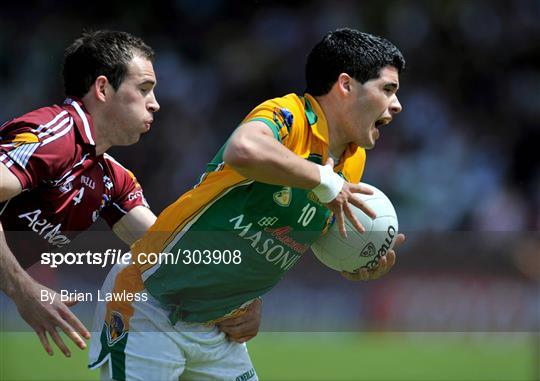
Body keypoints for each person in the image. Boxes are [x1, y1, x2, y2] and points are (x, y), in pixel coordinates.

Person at [88, 28, 406, 381]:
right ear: (345, 85)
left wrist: (353, 259)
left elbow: (285, 232)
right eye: (387, 89)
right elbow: (243, 150)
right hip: (149, 304)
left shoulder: (354, 160)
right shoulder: (289, 117)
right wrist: (323, 178)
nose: (396, 105)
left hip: (219, 330)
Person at [0, 30, 261, 359]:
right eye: (144, 89)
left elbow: (168, 251)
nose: (155, 103)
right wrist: (22, 289)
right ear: (103, 88)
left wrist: (241, 298)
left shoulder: (111, 179)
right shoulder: (56, 136)